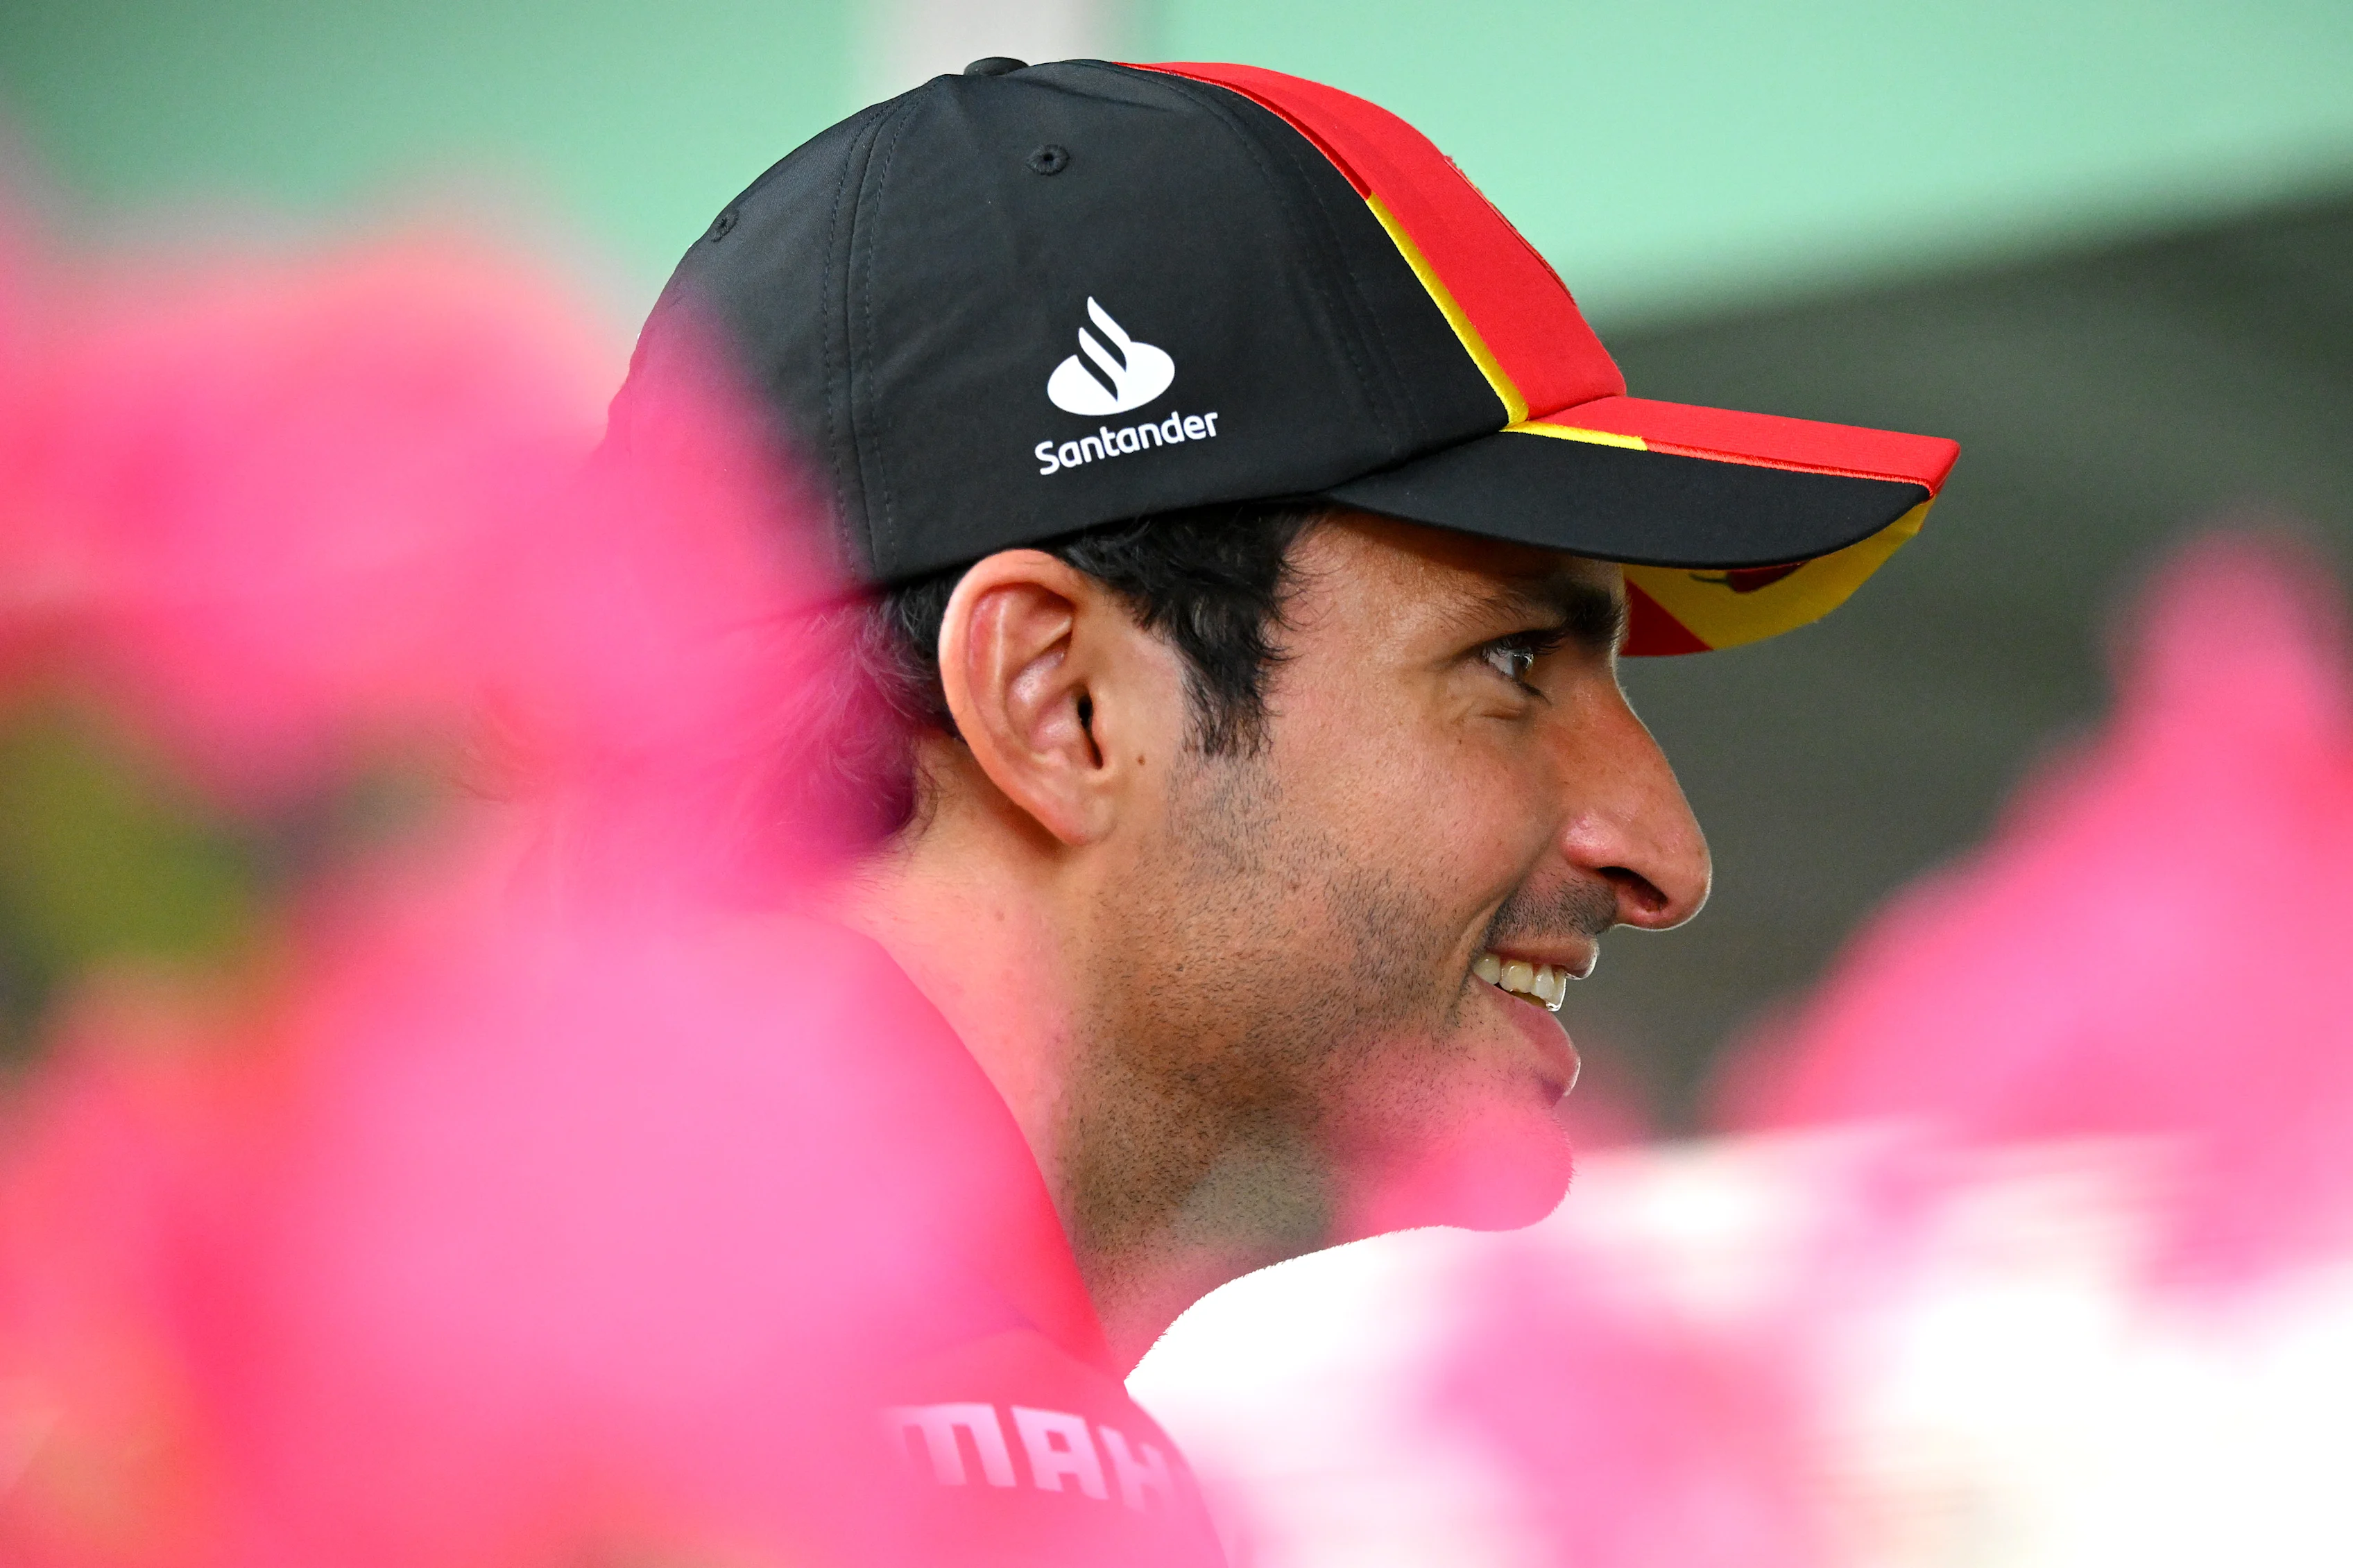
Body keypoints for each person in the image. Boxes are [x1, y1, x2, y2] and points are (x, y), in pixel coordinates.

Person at [607, 55, 1958, 1567]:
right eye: (1510, 660)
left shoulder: (536, 1328)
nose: (1661, 852)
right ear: (1064, 702)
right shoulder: (905, 1450)